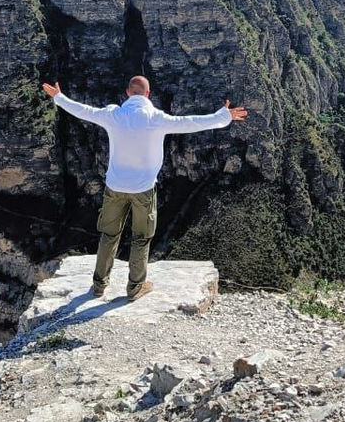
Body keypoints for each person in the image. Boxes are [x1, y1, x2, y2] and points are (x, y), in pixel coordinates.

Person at [41, 75, 247, 301]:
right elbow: (191, 122)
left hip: (115, 187)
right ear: (148, 94)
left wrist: (59, 98)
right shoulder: (156, 118)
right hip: (143, 189)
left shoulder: (113, 115)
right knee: (141, 237)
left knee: (109, 235)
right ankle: (135, 287)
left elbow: (84, 111)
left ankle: (99, 285)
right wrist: (223, 116)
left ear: (128, 92)